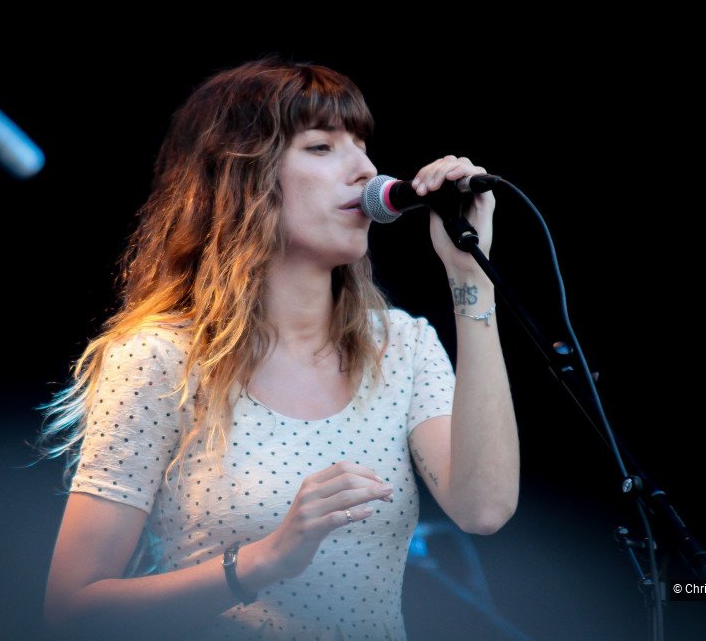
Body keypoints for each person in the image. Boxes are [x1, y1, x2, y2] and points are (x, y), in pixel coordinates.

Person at [32, 54, 519, 640]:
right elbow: (72, 608)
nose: (366, 169)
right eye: (322, 147)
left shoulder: (401, 345)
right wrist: (264, 560)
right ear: (243, 179)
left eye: (362, 145)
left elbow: (484, 509)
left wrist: (471, 278)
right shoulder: (157, 358)